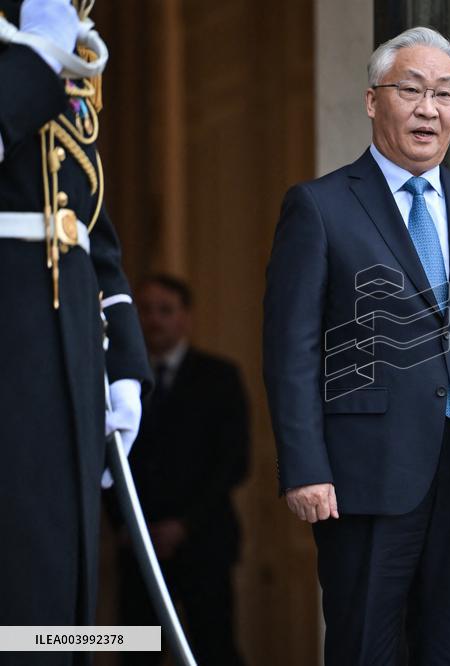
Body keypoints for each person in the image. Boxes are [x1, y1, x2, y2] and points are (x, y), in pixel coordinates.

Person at [262, 26, 450, 665]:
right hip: (363, 474)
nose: (428, 109)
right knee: (366, 646)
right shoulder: (319, 206)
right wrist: (305, 466)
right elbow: (292, 349)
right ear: (371, 100)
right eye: (411, 90)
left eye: (444, 94)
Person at [0, 0, 149, 661]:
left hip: (66, 347)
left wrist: (123, 367)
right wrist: (35, 59)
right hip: (12, 333)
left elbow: (86, 224)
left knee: (60, 590)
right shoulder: (39, 43)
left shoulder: (63, 34)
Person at [110, 275, 249, 666]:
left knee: (213, 648)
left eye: (164, 310)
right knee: (137, 652)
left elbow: (233, 462)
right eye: (144, 310)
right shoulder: (120, 380)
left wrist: (183, 525)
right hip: (136, 544)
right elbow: (107, 458)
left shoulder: (219, 377)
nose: (153, 320)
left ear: (185, 317)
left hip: (203, 542)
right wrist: (125, 524)